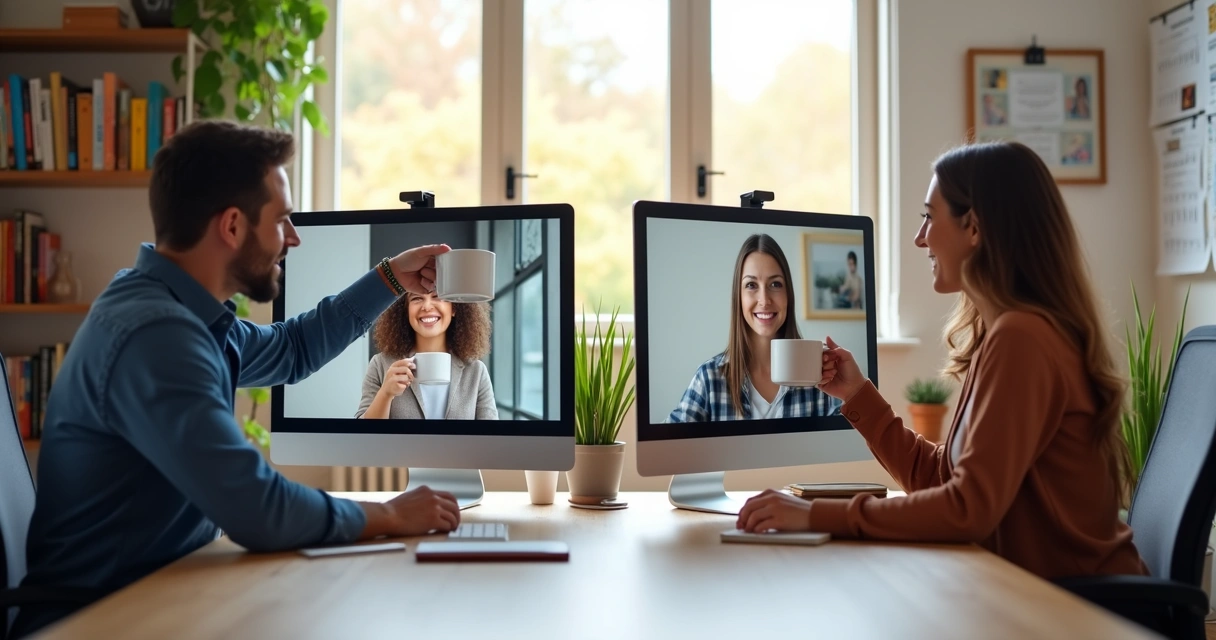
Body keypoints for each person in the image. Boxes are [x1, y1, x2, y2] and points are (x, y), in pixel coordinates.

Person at [11, 120, 463, 639]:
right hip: (104, 620)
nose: (292, 238)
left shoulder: (188, 315)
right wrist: (388, 513)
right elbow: (258, 508)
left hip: (164, 594)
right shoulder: (157, 336)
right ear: (231, 226)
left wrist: (389, 278)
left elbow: (294, 349)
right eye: (282, 221)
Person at [736, 141, 1148, 580]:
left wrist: (815, 516)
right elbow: (944, 481)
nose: (920, 238)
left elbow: (966, 509)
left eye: (929, 217)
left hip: (1082, 612)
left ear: (974, 228)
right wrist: (857, 395)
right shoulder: (1004, 333)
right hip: (1042, 595)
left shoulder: (1023, 338)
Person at [667, 233, 838, 422]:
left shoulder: (820, 378)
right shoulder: (709, 379)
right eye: (751, 285)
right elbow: (664, 448)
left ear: (788, 294)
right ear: (738, 297)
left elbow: (853, 445)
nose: (764, 300)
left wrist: (848, 389)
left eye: (775, 284)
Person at [356, 290, 497, 419]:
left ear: (454, 308)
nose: (427, 306)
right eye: (417, 298)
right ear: (406, 310)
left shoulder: (476, 372)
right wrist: (386, 394)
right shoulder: (381, 365)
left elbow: (493, 438)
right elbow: (360, 436)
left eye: (437, 296)